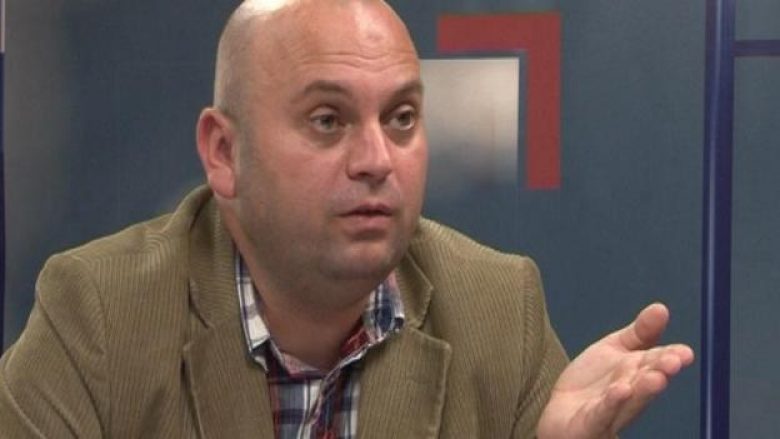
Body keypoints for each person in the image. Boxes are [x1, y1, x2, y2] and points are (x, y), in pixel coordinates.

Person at [0, 0, 694, 437]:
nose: (376, 160)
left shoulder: (497, 309)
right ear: (224, 152)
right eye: (328, 120)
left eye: (401, 118)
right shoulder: (99, 314)